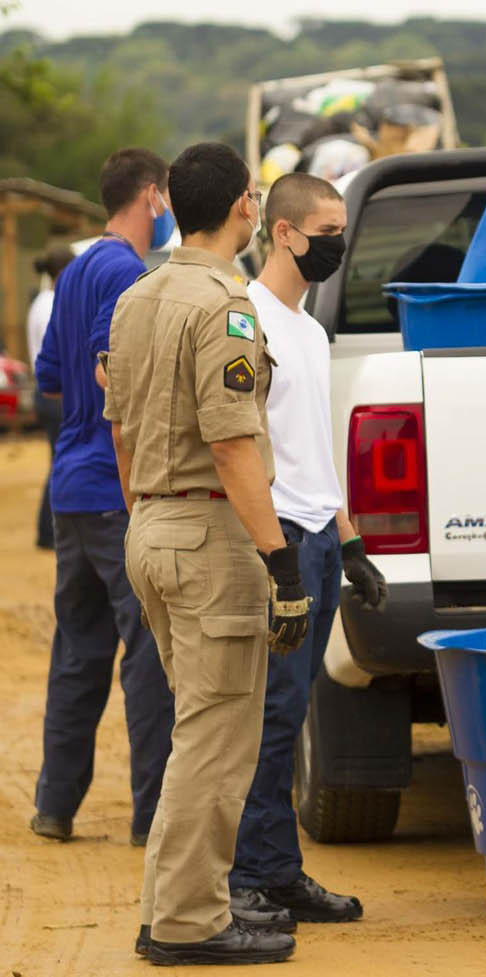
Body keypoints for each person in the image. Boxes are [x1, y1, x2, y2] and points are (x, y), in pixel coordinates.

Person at [106, 141, 311, 967]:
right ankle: (190, 921)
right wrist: (280, 560)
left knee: (197, 726)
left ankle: (174, 907)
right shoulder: (226, 306)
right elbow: (233, 447)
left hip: (150, 524)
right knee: (217, 735)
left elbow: (120, 427)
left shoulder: (139, 296)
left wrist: (149, 517)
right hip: (205, 531)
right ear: (244, 208)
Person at [228, 172, 383, 926]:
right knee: (269, 712)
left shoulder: (312, 332)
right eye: (326, 229)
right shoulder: (247, 318)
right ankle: (250, 877)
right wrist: (277, 556)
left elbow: (313, 447)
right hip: (280, 539)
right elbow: (240, 448)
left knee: (293, 711)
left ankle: (278, 871)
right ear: (284, 232)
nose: (337, 243)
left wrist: (351, 542)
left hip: (320, 535)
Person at [29, 150, 176, 849]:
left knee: (78, 650)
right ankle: (153, 816)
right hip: (116, 489)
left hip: (71, 486)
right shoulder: (124, 272)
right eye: (167, 198)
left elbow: (50, 379)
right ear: (152, 196)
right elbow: (102, 365)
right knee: (148, 651)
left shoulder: (79, 269)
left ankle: (55, 805)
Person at [29, 244, 75, 549]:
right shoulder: (50, 304)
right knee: (60, 462)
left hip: (46, 393)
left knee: (57, 461)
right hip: (53, 394)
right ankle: (48, 531)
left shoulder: (43, 301)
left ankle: (49, 530)